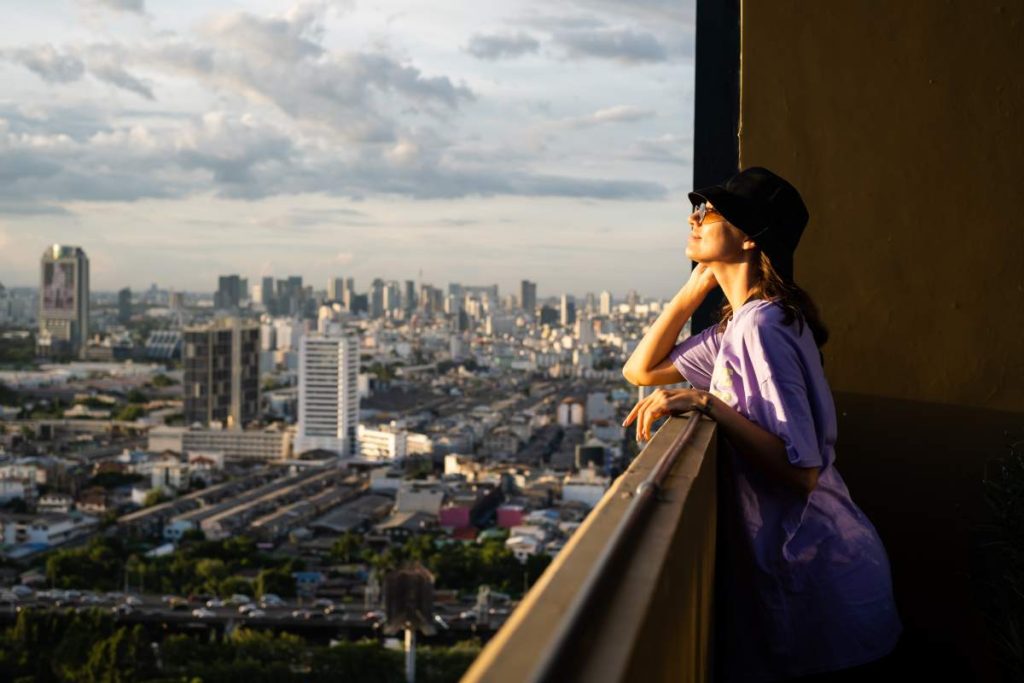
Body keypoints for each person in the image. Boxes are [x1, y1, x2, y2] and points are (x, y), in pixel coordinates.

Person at [621, 167, 902, 682]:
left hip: (827, 575)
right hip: (807, 573)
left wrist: (709, 404)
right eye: (698, 209)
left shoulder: (764, 326)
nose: (696, 217)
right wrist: (692, 292)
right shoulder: (737, 326)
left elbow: (803, 473)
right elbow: (638, 371)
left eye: (712, 212)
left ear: (750, 238)